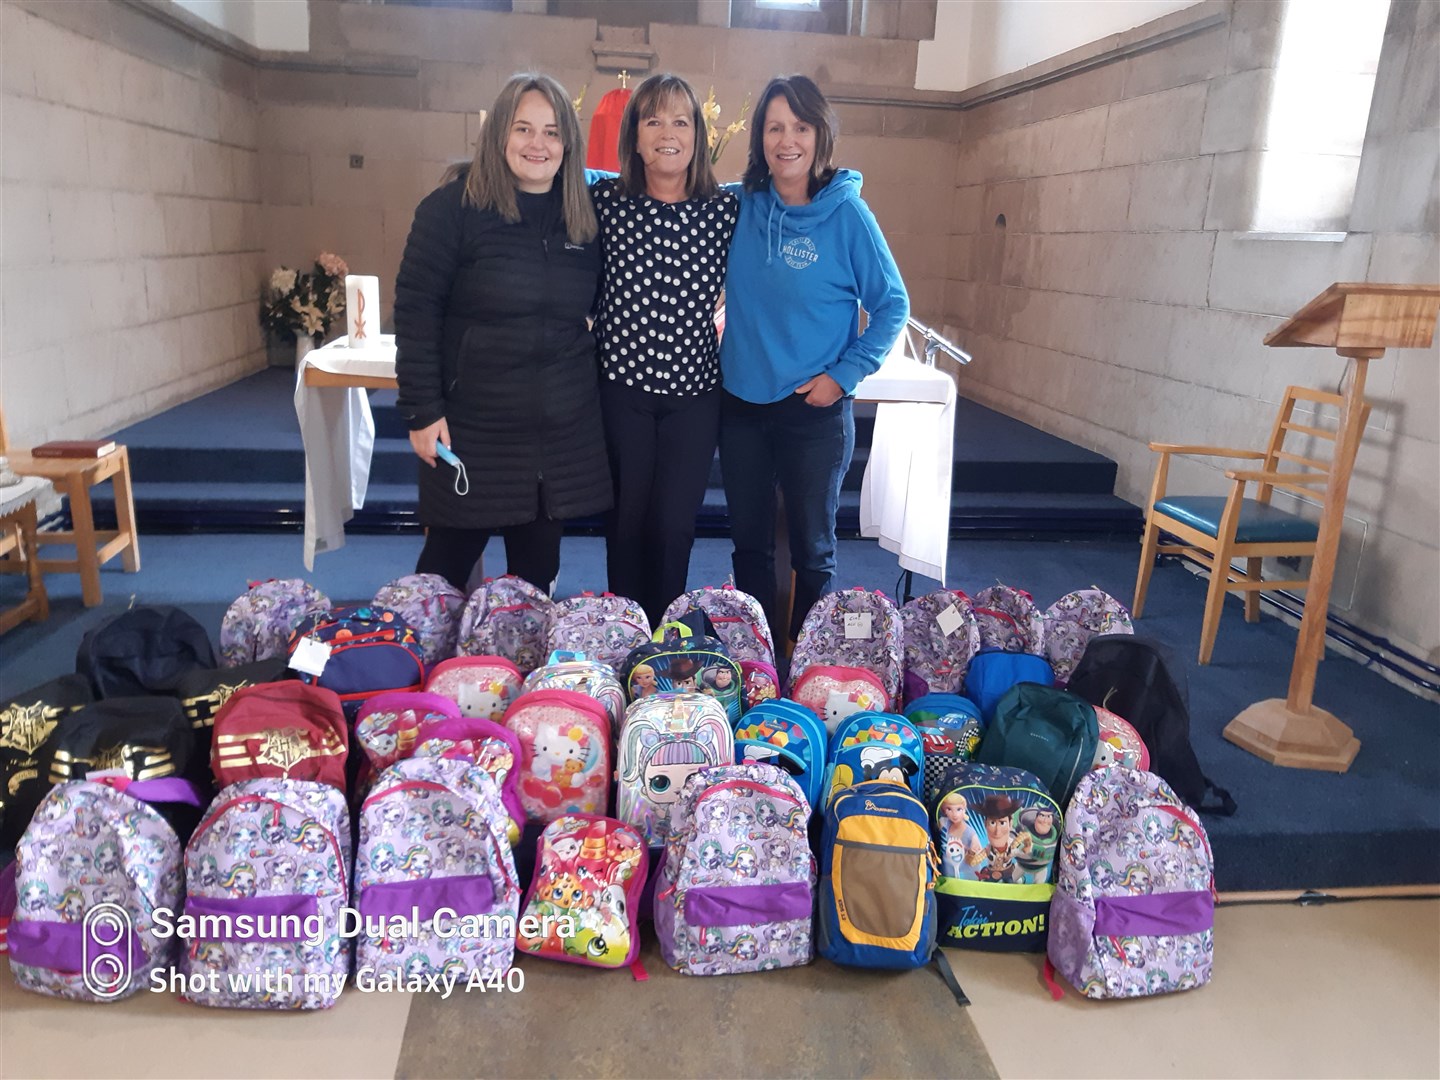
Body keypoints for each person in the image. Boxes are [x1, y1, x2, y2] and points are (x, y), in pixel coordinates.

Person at [393, 73, 610, 594]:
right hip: (473, 427)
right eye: (524, 129)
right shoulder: (451, 211)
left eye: (552, 132)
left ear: (568, 144)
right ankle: (426, 672)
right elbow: (416, 312)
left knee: (534, 587)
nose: (538, 144)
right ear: (498, 136)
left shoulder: (585, 217)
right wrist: (422, 411)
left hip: (554, 438)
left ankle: (522, 675)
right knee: (442, 576)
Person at [718, 75, 909, 643]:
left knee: (813, 548)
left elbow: (892, 304)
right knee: (749, 544)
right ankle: (755, 658)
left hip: (813, 411)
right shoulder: (741, 205)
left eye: (799, 126)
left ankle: (804, 660)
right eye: (774, 127)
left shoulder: (848, 214)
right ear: (760, 137)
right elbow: (665, 195)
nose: (787, 140)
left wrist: (842, 377)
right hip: (742, 406)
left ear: (819, 134)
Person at [590, 73, 740, 625]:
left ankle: (663, 632)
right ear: (634, 136)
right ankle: (626, 631)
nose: (667, 132)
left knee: (675, 526)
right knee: (627, 521)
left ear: (698, 136)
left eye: (681, 120)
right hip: (622, 390)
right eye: (653, 120)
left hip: (694, 395)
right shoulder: (605, 201)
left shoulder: (725, 211)